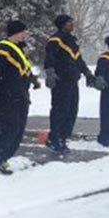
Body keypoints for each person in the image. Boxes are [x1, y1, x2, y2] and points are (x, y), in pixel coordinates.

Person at [44, 14, 107, 155]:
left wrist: (88, 74)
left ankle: (62, 137)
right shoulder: (55, 40)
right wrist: (50, 73)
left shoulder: (71, 42)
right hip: (61, 82)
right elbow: (49, 57)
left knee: (71, 111)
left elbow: (79, 61)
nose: (72, 24)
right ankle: (55, 138)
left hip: (72, 81)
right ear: (62, 24)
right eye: (69, 22)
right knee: (60, 111)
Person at [0, 20, 38, 175]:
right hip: (6, 97)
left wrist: (32, 80)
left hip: (20, 95)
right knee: (9, 129)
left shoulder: (17, 49)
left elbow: (23, 69)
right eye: (23, 31)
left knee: (18, 130)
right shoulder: (2, 50)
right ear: (16, 32)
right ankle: (0, 159)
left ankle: (2, 157)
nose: (25, 34)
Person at [96, 37, 109, 146]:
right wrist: (100, 78)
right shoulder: (105, 58)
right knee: (106, 114)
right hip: (107, 91)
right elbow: (99, 72)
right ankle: (104, 137)